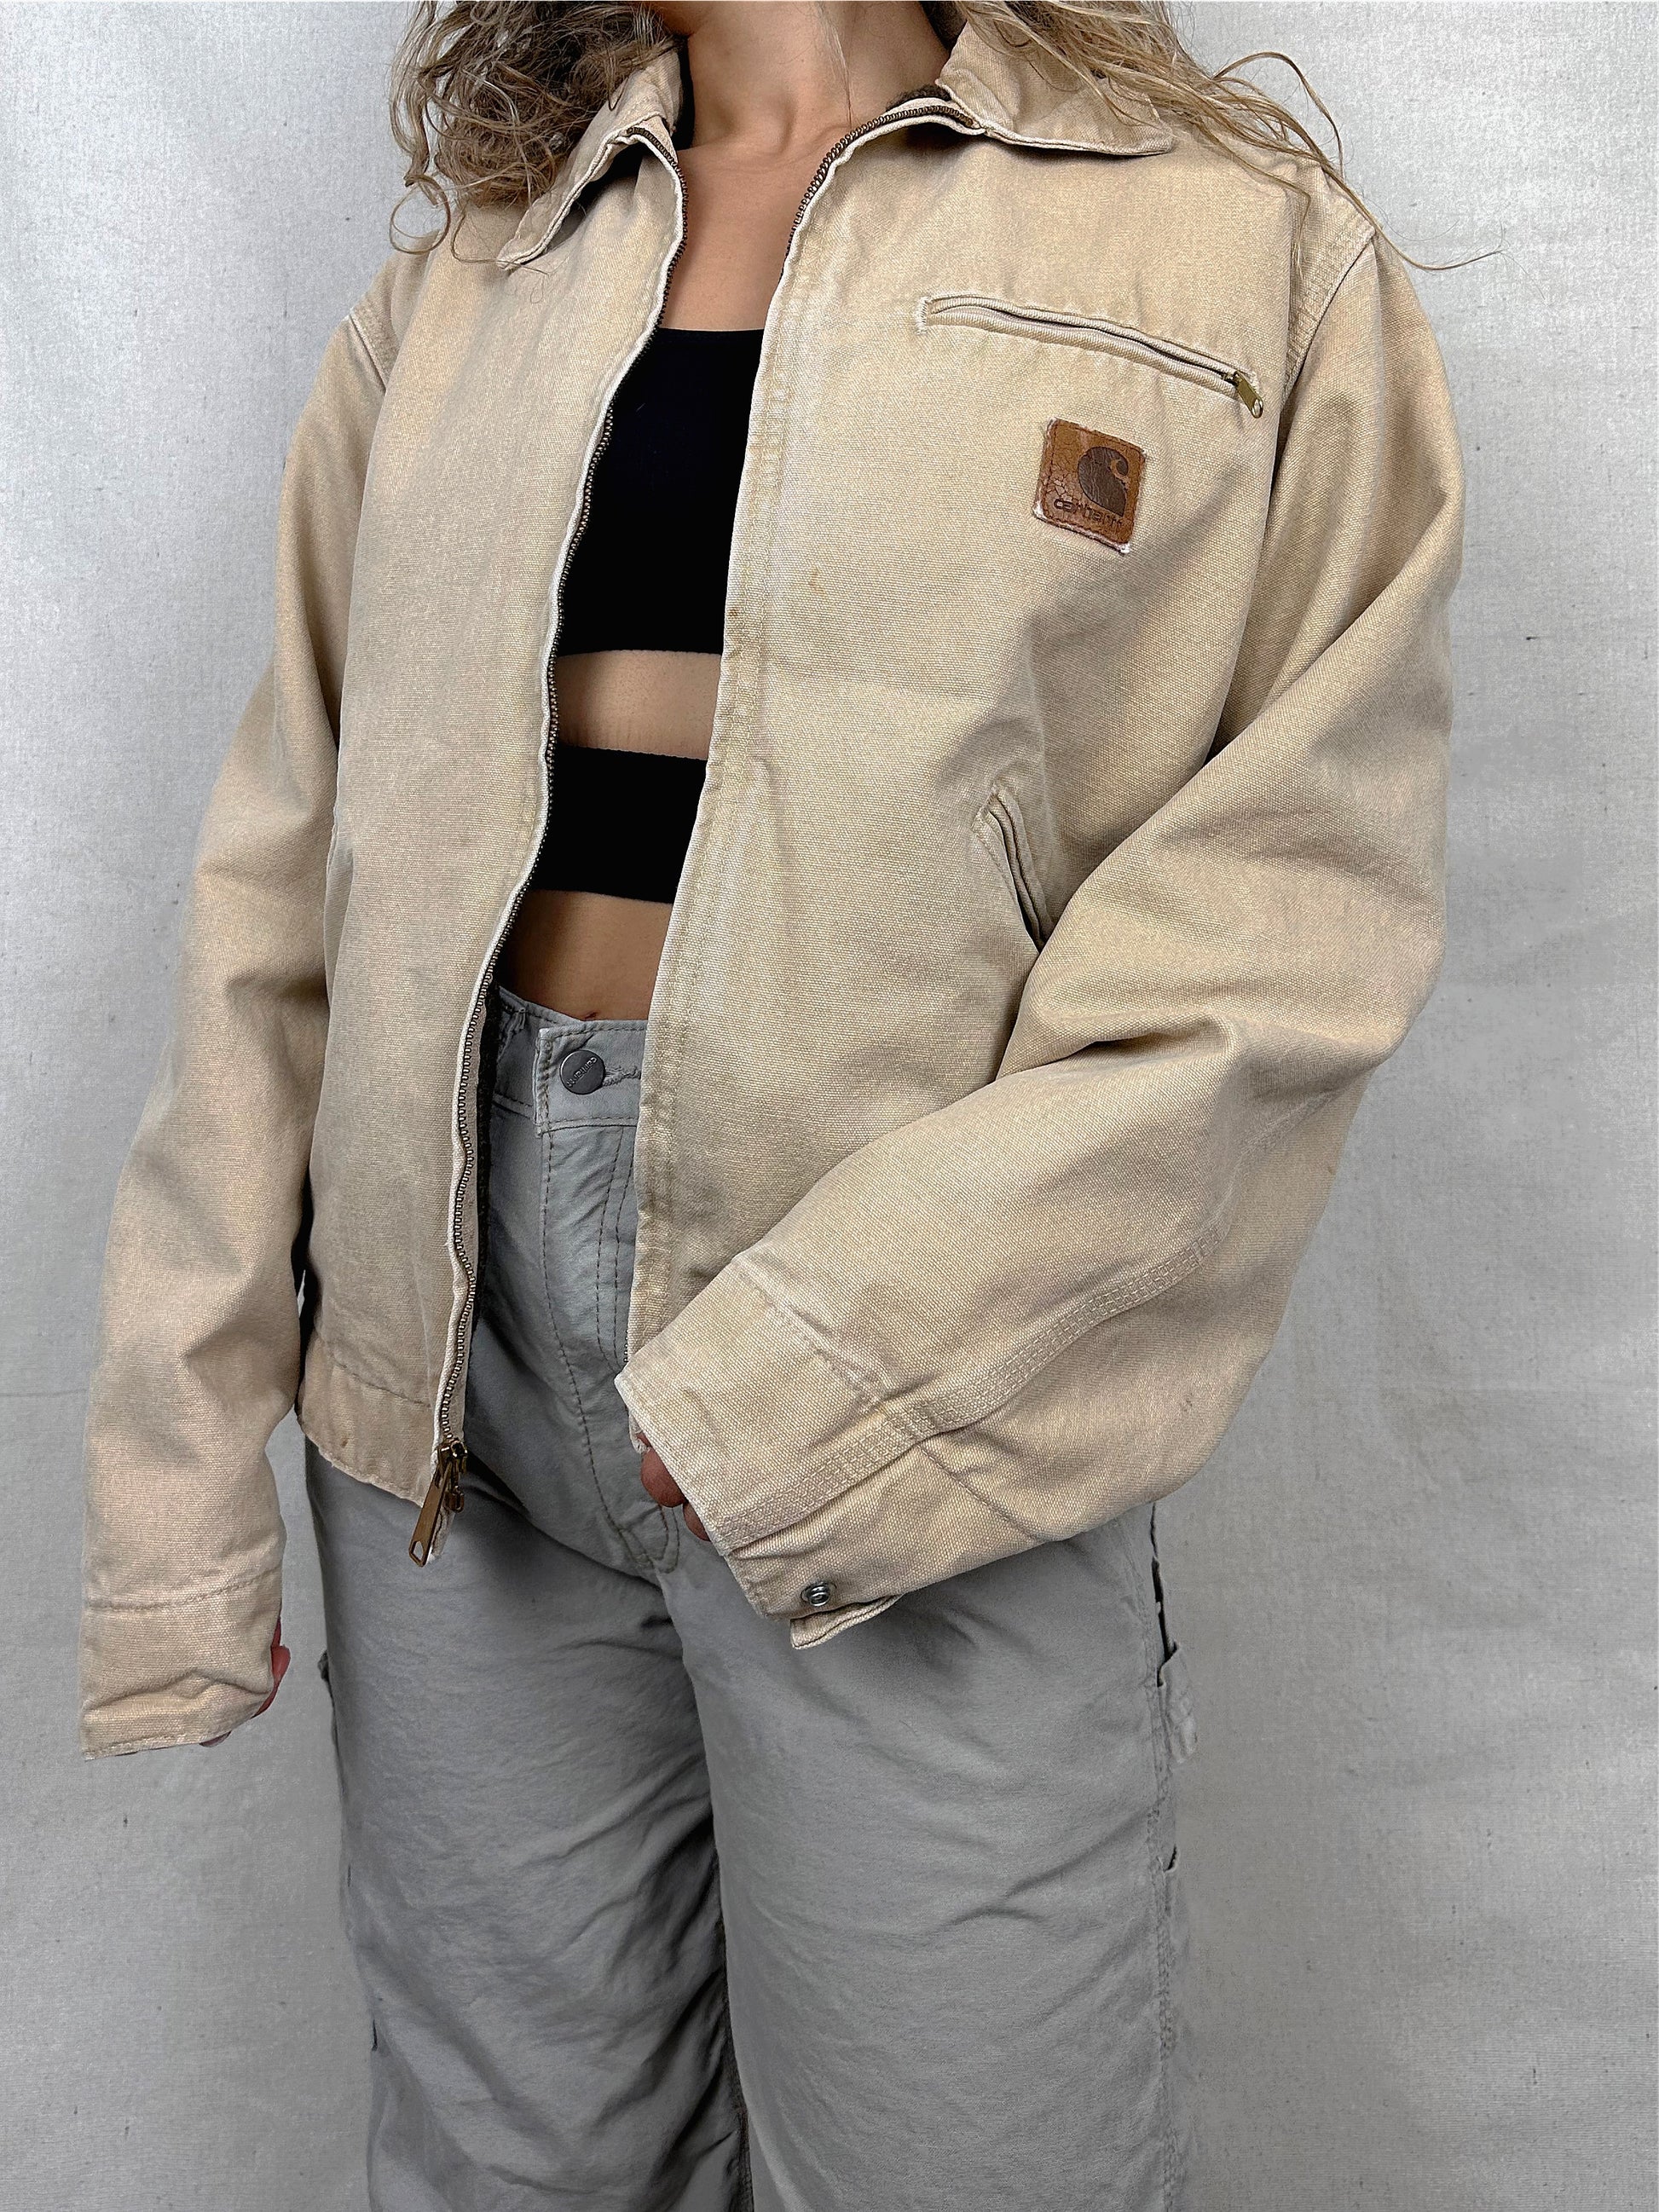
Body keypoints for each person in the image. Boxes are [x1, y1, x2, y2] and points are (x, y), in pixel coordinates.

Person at [77, 3, 1464, 2204]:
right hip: (450, 1424)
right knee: (513, 2170)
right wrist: (178, 1452)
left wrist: (828, 1374)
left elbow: (1279, 928)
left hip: (928, 1400)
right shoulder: (476, 280)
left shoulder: (1231, 254)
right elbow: (284, 879)